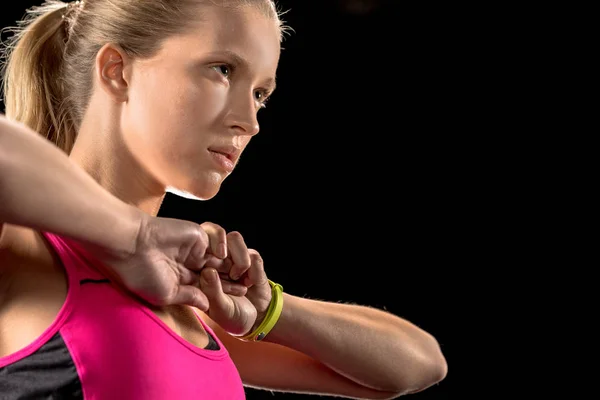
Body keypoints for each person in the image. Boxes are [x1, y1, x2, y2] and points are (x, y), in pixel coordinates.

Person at [0, 0, 447, 399]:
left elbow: (417, 365)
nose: (250, 122)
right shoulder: (23, 249)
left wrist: (269, 312)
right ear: (118, 70)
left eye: (260, 94)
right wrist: (134, 237)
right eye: (223, 70)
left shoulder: (191, 299)